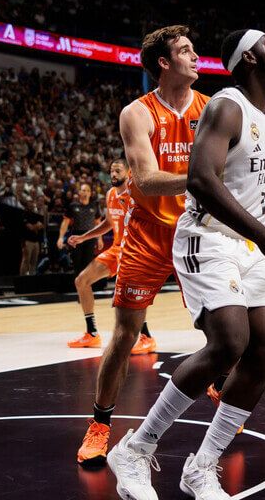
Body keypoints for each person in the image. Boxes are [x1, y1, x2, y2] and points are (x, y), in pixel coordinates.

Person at [106, 28, 265, 500]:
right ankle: (135, 449)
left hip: (248, 245)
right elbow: (200, 179)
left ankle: (202, 465)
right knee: (229, 341)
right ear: (250, 59)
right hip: (207, 237)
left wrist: (262, 237)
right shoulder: (226, 105)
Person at [76, 25, 209, 467]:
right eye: (186, 51)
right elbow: (148, 182)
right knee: (125, 334)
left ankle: (221, 384)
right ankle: (99, 425)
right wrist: (204, 179)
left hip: (198, 233)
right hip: (147, 238)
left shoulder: (212, 108)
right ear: (164, 64)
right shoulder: (137, 112)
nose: (195, 56)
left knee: (229, 331)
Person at [66, 160, 137, 350]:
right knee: (81, 281)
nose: (113, 174)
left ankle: (146, 336)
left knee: (126, 295)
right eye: (111, 171)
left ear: (128, 172)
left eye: (117, 171)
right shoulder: (110, 194)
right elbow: (108, 222)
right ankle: (91, 333)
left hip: (133, 249)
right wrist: (83, 237)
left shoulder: (135, 193)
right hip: (116, 249)